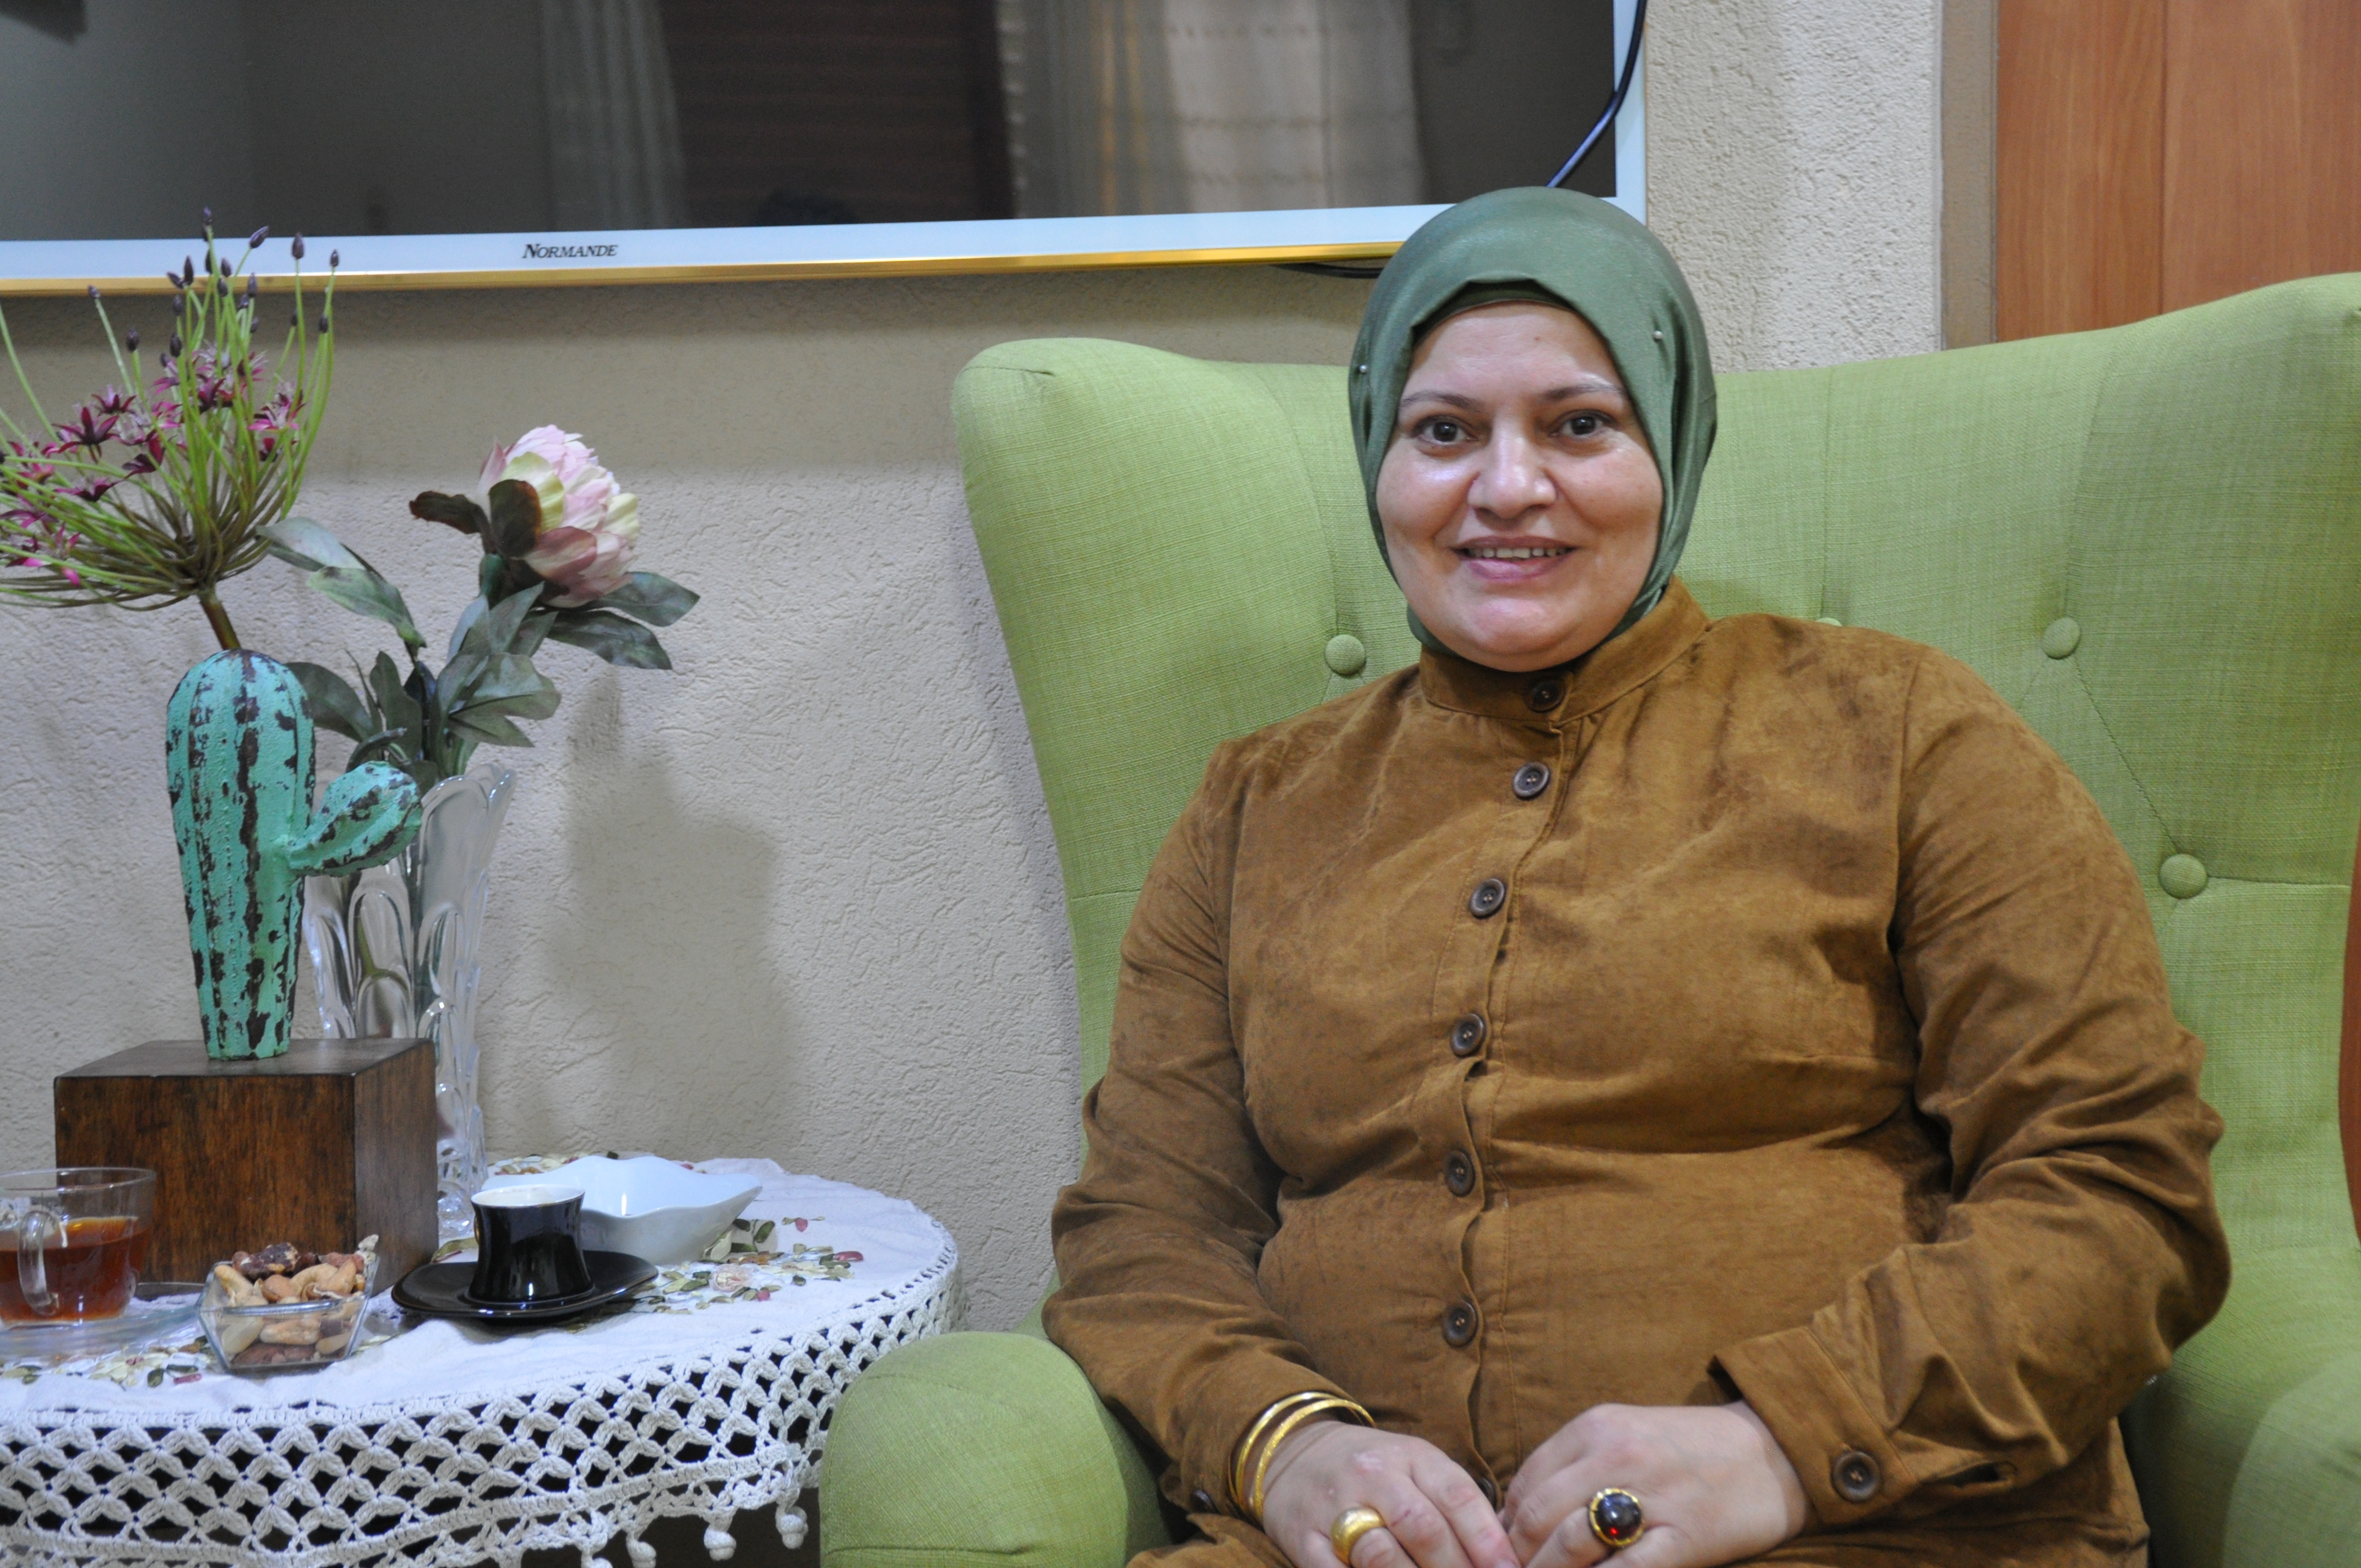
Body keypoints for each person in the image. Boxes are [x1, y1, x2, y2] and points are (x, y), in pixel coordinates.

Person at [1042, 188, 2229, 1568]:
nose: (1503, 486)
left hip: (1875, 1530)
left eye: (1576, 424)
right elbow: (1146, 1225)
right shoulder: (1256, 805)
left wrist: (1784, 1441)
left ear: (1672, 444)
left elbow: (2116, 1183)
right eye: (1441, 431)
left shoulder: (1900, 730)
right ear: (1377, 459)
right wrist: (1285, 1441)